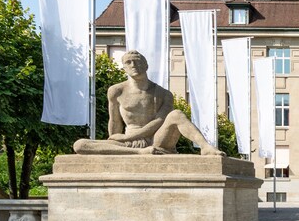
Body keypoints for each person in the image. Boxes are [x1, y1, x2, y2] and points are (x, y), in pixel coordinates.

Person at [73, 50, 224, 156]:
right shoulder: (116, 91)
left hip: (157, 138)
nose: (133, 65)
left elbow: (158, 122)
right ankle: (137, 153)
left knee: (176, 114)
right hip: (128, 143)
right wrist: (115, 141)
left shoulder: (164, 94)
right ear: (124, 67)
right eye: (128, 62)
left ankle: (205, 147)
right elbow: (115, 121)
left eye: (138, 62)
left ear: (146, 66)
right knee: (79, 145)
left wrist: (125, 138)